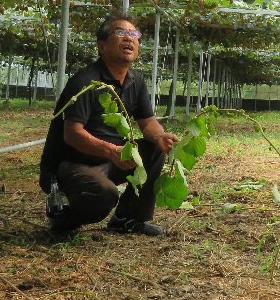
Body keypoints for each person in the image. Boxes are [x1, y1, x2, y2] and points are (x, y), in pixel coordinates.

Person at [39, 14, 179, 237]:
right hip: (73, 165)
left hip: (110, 161)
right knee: (105, 194)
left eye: (134, 34)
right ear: (101, 47)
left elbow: (148, 121)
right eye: (121, 32)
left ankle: (127, 219)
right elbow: (72, 134)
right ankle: (62, 220)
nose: (129, 38)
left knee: (154, 149)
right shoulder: (86, 81)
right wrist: (112, 151)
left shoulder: (136, 81)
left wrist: (160, 136)